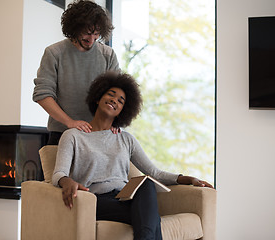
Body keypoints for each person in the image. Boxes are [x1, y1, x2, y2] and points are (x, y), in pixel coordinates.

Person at [52, 71, 214, 240]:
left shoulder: (126, 139)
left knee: (147, 186)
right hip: (95, 200)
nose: (115, 100)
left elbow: (155, 173)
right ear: (98, 98)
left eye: (121, 101)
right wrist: (67, 181)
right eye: (111, 94)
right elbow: (58, 174)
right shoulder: (73, 136)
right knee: (150, 218)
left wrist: (187, 179)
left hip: (124, 199)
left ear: (122, 111)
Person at [32, 0, 120, 145]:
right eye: (87, 33)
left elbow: (118, 93)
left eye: (96, 34)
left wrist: (116, 120)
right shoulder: (54, 53)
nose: (91, 40)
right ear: (75, 28)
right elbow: (42, 94)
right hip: (61, 134)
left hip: (99, 134)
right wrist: (70, 122)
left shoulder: (108, 55)